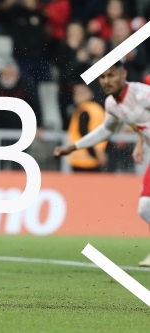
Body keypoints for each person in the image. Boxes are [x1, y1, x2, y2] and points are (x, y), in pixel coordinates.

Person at [53, 61, 150, 267]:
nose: (107, 81)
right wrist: (73, 147)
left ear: (123, 74)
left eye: (111, 75)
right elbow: (106, 130)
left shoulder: (142, 95)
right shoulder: (112, 104)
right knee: (145, 208)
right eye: (103, 77)